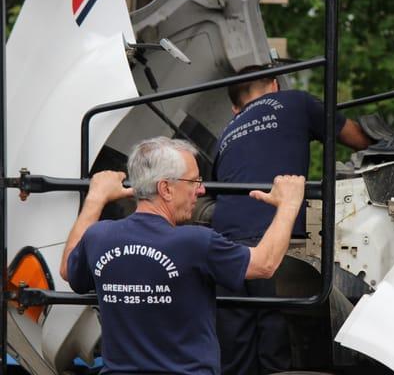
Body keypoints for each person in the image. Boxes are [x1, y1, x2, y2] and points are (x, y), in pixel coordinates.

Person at [59, 136, 305, 375]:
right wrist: (289, 204)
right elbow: (264, 264)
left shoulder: (98, 237)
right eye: (194, 181)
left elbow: (68, 270)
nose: (201, 189)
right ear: (165, 188)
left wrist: (95, 197)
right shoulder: (195, 241)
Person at [212, 66, 373, 375]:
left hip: (224, 243)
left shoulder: (225, 134)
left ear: (235, 107)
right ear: (275, 85)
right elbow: (359, 140)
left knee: (235, 351)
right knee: (276, 344)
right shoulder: (296, 102)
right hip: (272, 241)